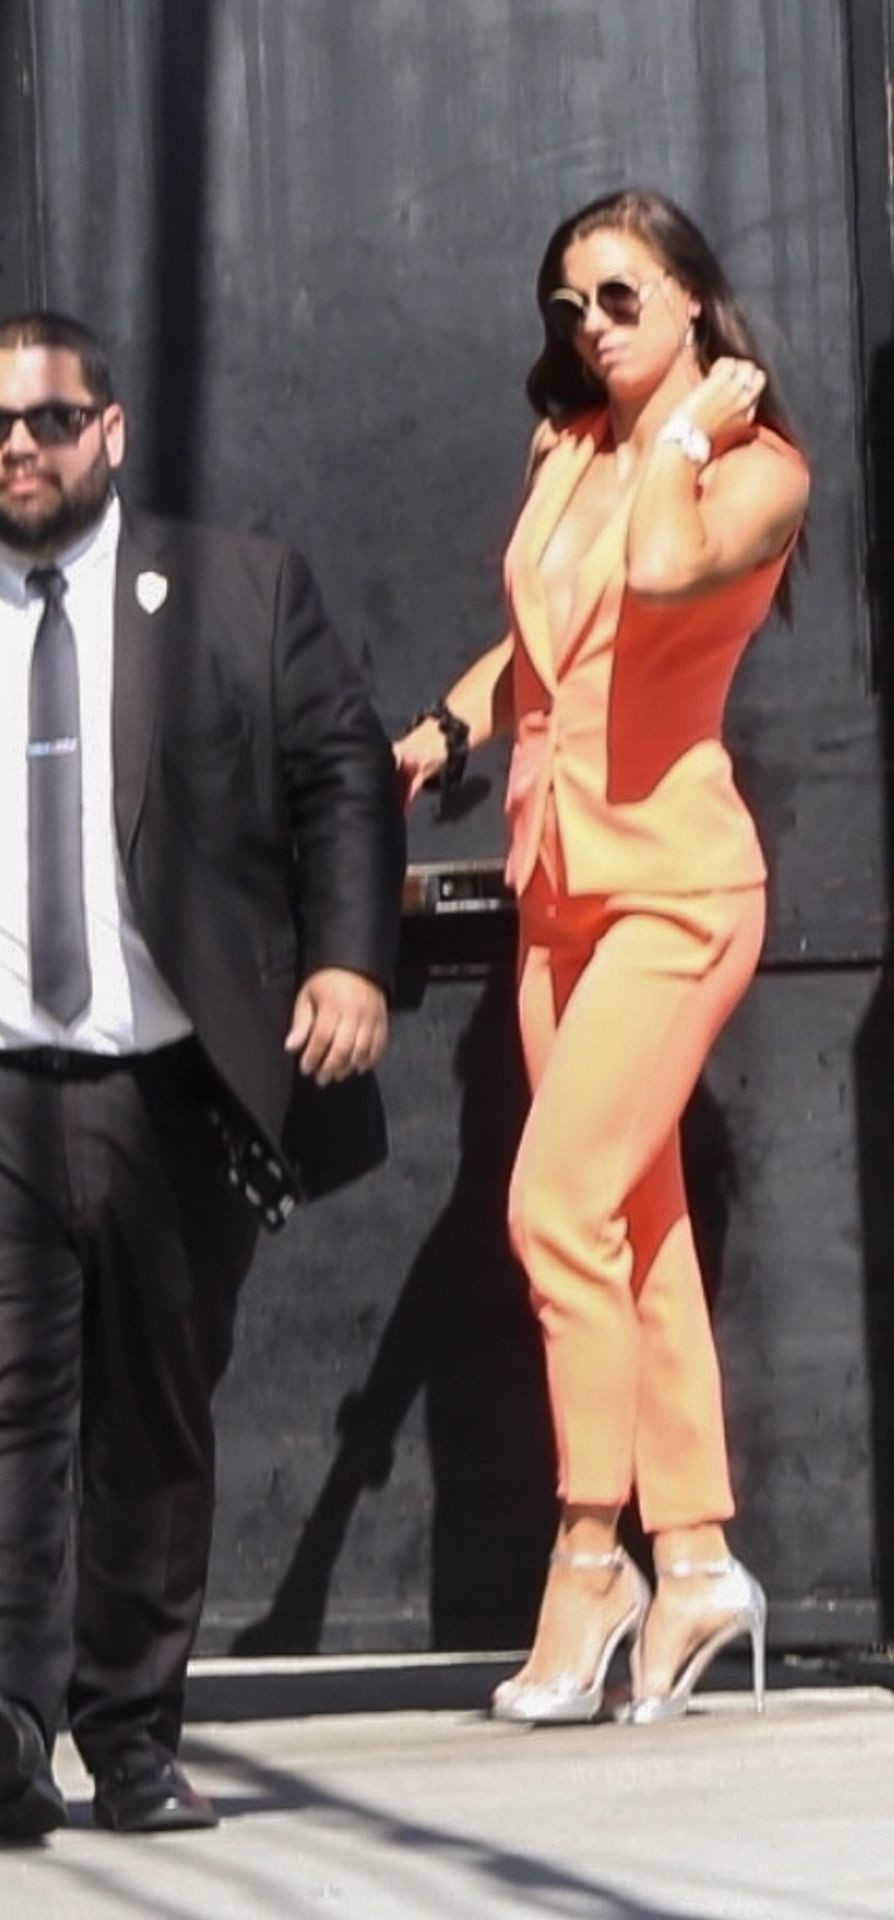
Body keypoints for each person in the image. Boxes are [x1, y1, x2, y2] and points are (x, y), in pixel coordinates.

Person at [396, 188, 809, 1724]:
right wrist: (441, 732)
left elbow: (657, 577)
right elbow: (547, 642)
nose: (591, 328)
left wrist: (688, 434)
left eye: (622, 297)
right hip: (556, 887)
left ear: (693, 299)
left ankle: (592, 1553)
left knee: (555, 1207)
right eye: (570, 306)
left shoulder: (757, 474)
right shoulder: (565, 453)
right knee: (636, 1228)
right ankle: (693, 1557)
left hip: (678, 888)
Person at [0, 311, 404, 1839]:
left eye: (50, 419)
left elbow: (343, 772)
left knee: (152, 1424)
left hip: (169, 1081)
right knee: (10, 1414)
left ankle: (131, 1738)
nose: (20, 446)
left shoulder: (239, 587)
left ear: (109, 431)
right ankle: (11, 1726)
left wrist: (349, 960)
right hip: (3, 1083)